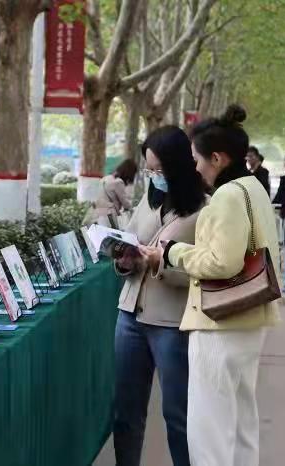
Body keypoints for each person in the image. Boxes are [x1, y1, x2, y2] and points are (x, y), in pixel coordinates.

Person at [139, 104, 280, 466]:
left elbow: (222, 262)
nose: (196, 168)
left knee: (210, 431)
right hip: (250, 317)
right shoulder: (254, 188)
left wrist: (172, 252)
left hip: (220, 321)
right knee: (241, 422)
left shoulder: (228, 196)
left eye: (197, 160)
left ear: (217, 158)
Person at [112, 126, 206, 466]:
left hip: (171, 323)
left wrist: (160, 263)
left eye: (159, 170)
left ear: (179, 165)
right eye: (149, 170)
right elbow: (130, 241)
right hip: (129, 317)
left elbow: (204, 270)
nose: (154, 177)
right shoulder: (148, 201)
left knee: (178, 414)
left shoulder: (204, 210)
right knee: (126, 412)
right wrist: (123, 259)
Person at [82, 159, 137, 226]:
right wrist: (134, 210)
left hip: (97, 214)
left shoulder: (106, 178)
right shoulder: (118, 182)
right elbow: (125, 203)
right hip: (108, 215)